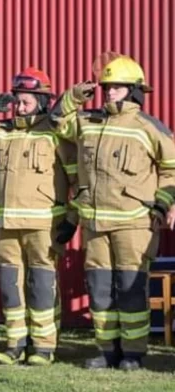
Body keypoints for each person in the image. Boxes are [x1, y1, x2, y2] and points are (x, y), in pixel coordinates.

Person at [52, 54, 175, 370]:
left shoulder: (149, 127)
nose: (108, 92)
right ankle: (107, 351)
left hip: (134, 224)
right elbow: (57, 122)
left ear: (133, 90)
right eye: (106, 87)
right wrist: (75, 96)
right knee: (100, 290)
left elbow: (172, 170)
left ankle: (133, 353)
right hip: (94, 223)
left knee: (130, 289)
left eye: (116, 87)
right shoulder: (88, 123)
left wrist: (162, 204)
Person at [0, 68, 78, 366]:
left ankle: (43, 346)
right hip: (6, 227)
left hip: (44, 226)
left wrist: (73, 218)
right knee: (9, 286)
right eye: (17, 99)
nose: (19, 105)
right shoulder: (1, 132)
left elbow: (79, 179)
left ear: (42, 101)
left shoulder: (54, 133)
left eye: (26, 100)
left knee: (42, 286)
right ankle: (14, 343)